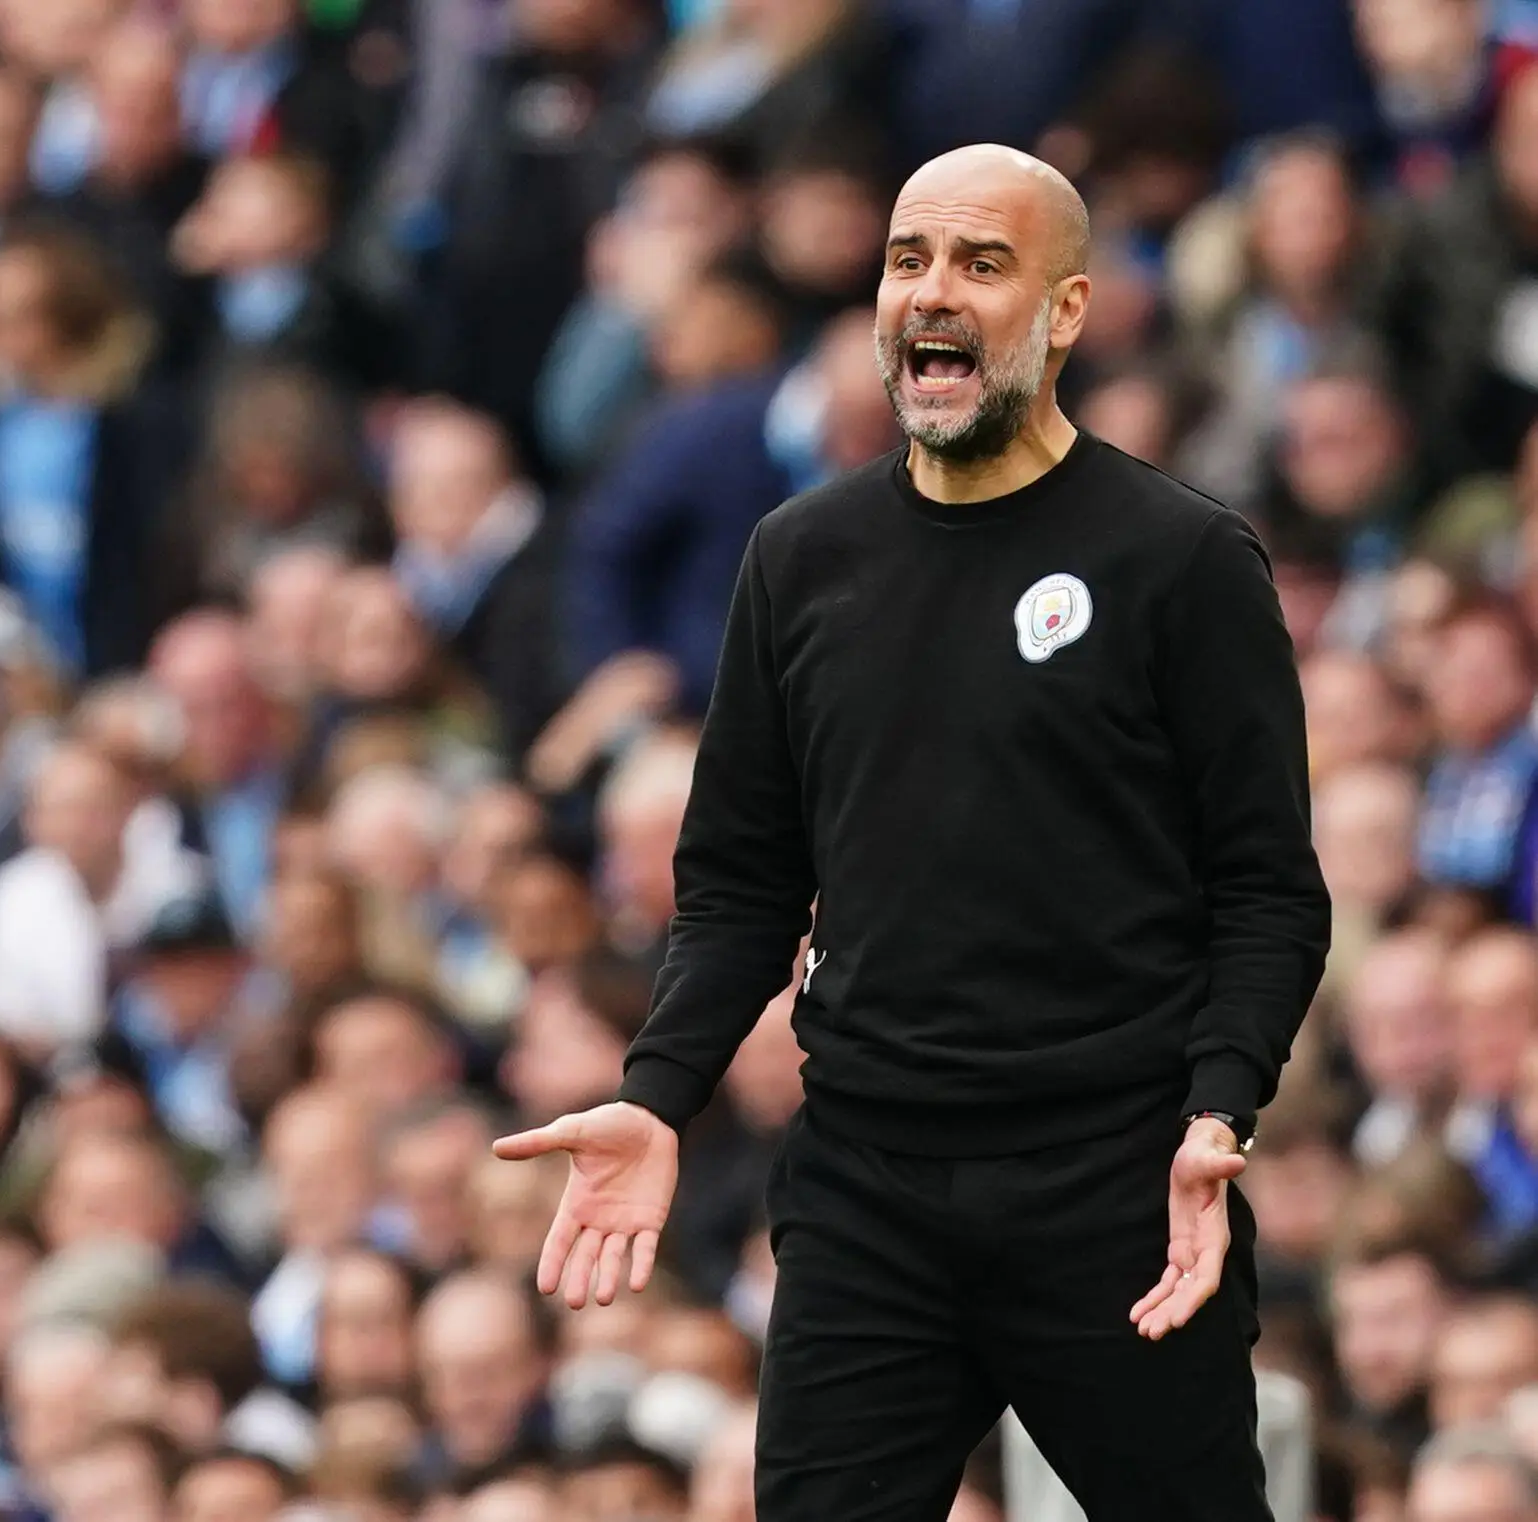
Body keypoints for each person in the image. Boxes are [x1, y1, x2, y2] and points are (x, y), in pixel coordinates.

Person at [495, 145, 1333, 1519]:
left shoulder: (1178, 557)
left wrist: (1217, 1103)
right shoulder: (797, 557)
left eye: (980, 263)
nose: (932, 291)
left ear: (1064, 311)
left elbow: (1267, 890)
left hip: (1117, 1187)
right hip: (865, 1192)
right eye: (907, 259)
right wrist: (658, 1092)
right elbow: (740, 885)